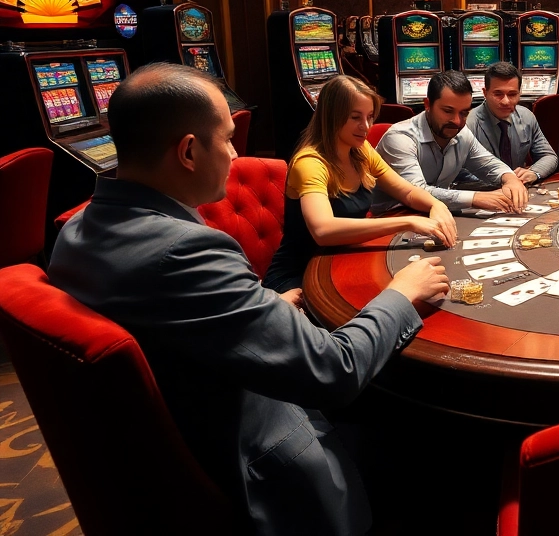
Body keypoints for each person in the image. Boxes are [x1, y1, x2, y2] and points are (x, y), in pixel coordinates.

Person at [47, 63, 451, 535]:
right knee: (430, 438)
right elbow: (332, 370)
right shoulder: (186, 251)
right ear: (189, 151)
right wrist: (403, 293)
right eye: (227, 139)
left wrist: (262, 306)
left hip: (155, 445)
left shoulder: (76, 231)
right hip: (257, 461)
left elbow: (174, 322)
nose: (237, 154)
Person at [263, 75, 457, 294]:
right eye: (355, 117)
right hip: (298, 276)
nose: (365, 126)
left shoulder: (360, 150)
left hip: (342, 260)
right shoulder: (310, 163)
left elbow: (407, 191)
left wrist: (436, 205)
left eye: (370, 117)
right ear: (331, 116)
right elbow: (323, 230)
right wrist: (408, 222)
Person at [374, 70, 530, 215]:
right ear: (428, 105)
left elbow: (489, 164)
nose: (456, 121)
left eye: (464, 113)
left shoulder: (462, 133)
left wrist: (510, 179)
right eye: (448, 111)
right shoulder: (400, 138)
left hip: (435, 214)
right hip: (391, 218)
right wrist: (476, 198)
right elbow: (416, 192)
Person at [460, 61, 558, 186]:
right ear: (485, 93)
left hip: (519, 190)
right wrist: (504, 179)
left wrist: (534, 172)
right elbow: (460, 172)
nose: (506, 101)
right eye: (498, 94)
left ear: (519, 93)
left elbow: (549, 156)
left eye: (512, 94)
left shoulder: (526, 117)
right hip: (484, 193)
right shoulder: (469, 124)